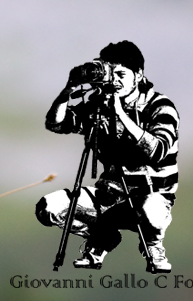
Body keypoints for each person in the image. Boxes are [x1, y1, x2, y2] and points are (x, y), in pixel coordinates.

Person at [35, 40, 177, 273]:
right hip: (109, 195)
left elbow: (157, 151)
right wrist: (66, 93)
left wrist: (120, 113)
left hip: (150, 195)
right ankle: (103, 238)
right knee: (48, 208)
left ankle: (153, 246)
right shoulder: (99, 104)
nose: (115, 81)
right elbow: (56, 124)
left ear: (139, 74)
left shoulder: (160, 106)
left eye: (121, 74)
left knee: (152, 209)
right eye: (110, 74)